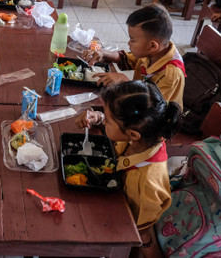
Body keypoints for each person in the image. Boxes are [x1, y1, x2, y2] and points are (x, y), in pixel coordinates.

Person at [76, 81, 181, 258]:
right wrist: (99, 118)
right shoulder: (145, 136)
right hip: (112, 199)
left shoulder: (147, 182)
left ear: (132, 135)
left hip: (123, 229)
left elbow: (142, 232)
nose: (105, 121)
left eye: (108, 120)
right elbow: (118, 131)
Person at [82, 4, 186, 107]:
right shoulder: (154, 52)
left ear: (152, 46)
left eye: (132, 40)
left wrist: (125, 82)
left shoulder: (170, 75)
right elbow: (127, 58)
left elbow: (152, 109)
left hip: (153, 118)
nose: (128, 43)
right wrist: (103, 54)